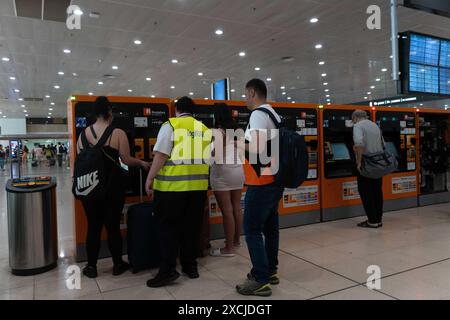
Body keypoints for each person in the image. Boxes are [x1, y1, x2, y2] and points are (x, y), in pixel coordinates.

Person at [76, 96, 150, 278]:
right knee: (112, 227)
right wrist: (141, 163)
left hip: (90, 188)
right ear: (109, 112)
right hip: (112, 190)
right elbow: (125, 160)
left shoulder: (82, 134)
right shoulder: (117, 133)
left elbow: (80, 161)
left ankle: (91, 267)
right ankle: (117, 264)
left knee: (93, 227)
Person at [144, 96, 211, 288]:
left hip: (171, 189)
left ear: (176, 109)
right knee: (191, 228)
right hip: (197, 189)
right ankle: (190, 266)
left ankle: (167, 270)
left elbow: (161, 155)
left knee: (168, 229)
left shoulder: (171, 125)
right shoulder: (204, 130)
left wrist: (150, 177)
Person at [236, 79, 284, 297]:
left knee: (252, 229)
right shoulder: (274, 114)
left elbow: (255, 148)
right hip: (274, 180)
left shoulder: (257, 114)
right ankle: (270, 271)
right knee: (271, 229)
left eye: (246, 94)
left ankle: (261, 280)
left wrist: (234, 142)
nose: (245, 98)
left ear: (252, 92)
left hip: (260, 181)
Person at [209, 104, 245, 258]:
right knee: (236, 208)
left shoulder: (219, 131)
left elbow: (215, 156)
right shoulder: (237, 130)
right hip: (238, 170)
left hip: (223, 171)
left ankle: (228, 248)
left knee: (227, 211)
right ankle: (236, 241)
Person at [352, 109, 384, 228]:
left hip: (367, 163)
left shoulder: (358, 126)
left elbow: (359, 144)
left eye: (353, 119)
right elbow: (383, 144)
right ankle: (378, 219)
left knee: (366, 192)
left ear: (355, 117)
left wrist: (359, 162)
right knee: (377, 191)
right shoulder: (375, 125)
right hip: (378, 163)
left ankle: (372, 221)